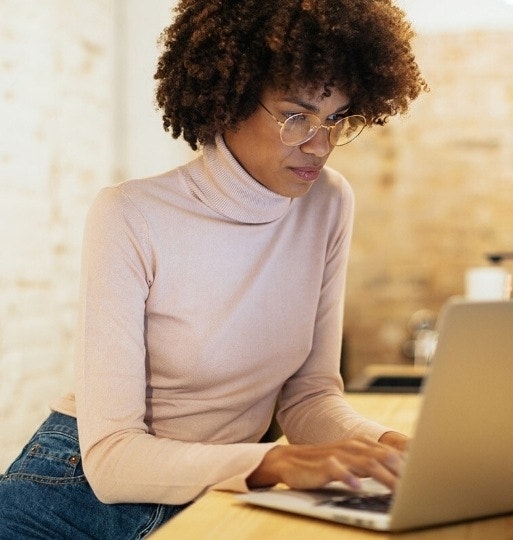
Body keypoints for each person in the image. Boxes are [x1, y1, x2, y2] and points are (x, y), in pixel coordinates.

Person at [0, 0, 427, 537]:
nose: (320, 145)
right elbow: (110, 461)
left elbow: (309, 395)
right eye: (297, 117)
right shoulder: (130, 215)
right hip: (71, 494)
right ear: (229, 100)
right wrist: (268, 462)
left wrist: (386, 447)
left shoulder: (328, 203)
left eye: (337, 118)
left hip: (213, 488)